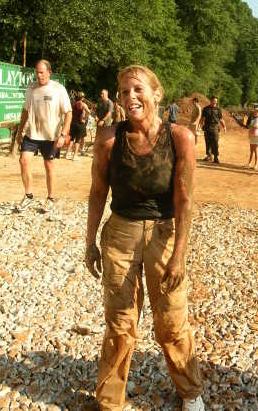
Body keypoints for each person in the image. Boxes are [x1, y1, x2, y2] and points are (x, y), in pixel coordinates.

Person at [85, 65, 204, 411]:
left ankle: (190, 392)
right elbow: (96, 193)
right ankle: (110, 400)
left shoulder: (180, 138)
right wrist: (90, 242)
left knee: (171, 321)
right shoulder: (109, 138)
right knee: (120, 322)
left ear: (156, 94)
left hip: (164, 233)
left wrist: (179, 253)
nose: (130, 97)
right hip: (120, 233)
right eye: (124, 91)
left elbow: (184, 200)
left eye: (138, 89)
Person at [15, 59, 72, 212]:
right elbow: (25, 111)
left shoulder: (58, 89)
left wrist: (63, 134)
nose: (39, 75)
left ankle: (51, 198)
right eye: (37, 72)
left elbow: (68, 113)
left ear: (49, 72)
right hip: (32, 133)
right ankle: (28, 196)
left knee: (49, 165)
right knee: (23, 160)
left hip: (51, 135)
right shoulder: (31, 88)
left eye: (42, 72)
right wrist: (19, 131)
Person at [199, 95, 226, 163]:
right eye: (213, 101)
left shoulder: (218, 109)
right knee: (207, 142)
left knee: (215, 142)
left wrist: (224, 127)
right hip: (207, 127)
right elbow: (202, 118)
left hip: (215, 127)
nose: (215, 102)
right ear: (210, 101)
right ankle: (209, 156)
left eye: (216, 101)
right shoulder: (205, 109)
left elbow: (221, 119)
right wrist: (200, 125)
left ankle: (216, 157)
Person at [65, 91, 90, 161]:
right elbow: (89, 112)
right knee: (78, 140)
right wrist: (85, 118)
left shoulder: (73, 104)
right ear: (82, 98)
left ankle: (67, 154)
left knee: (72, 139)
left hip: (73, 123)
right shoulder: (82, 104)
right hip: (79, 123)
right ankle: (75, 156)